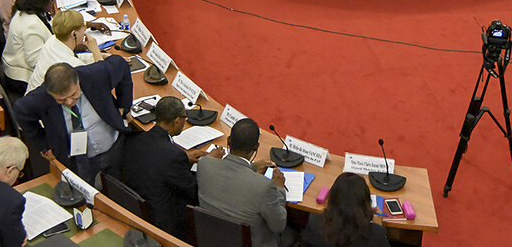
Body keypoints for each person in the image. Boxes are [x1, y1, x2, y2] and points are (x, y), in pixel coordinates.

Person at [15, 60, 132, 187]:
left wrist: (124, 106)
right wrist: (44, 144)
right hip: (76, 159)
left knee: (121, 186)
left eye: (73, 95)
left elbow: (122, 65)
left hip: (113, 146)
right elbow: (21, 112)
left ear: (77, 81)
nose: (70, 102)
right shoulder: (41, 97)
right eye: (61, 100)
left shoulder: (96, 74)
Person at [121, 96, 225, 240]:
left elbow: (160, 164)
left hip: (137, 204)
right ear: (177, 121)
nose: (185, 120)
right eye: (184, 117)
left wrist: (186, 160)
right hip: (163, 222)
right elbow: (195, 191)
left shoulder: (138, 138)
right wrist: (210, 162)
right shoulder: (173, 156)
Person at [197, 118, 287, 247]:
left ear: (228, 141)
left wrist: (252, 167)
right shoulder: (264, 186)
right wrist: (279, 188)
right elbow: (279, 225)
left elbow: (231, 178)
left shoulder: (204, 164)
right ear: (256, 147)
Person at [25, 9, 106, 94]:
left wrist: (100, 56)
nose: (85, 30)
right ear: (74, 34)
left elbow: (74, 57)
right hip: (47, 104)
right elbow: (101, 81)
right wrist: (96, 51)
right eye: (83, 28)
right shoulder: (72, 67)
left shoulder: (53, 40)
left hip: (32, 95)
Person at [300, 173, 390, 247]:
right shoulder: (376, 234)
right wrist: (378, 225)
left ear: (332, 198)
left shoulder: (315, 221)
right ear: (365, 202)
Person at [1, 0, 54, 95]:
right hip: (22, 78)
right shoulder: (31, 25)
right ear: (41, 0)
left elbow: (48, 27)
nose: (53, 2)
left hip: (18, 68)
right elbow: (36, 62)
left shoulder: (24, 10)